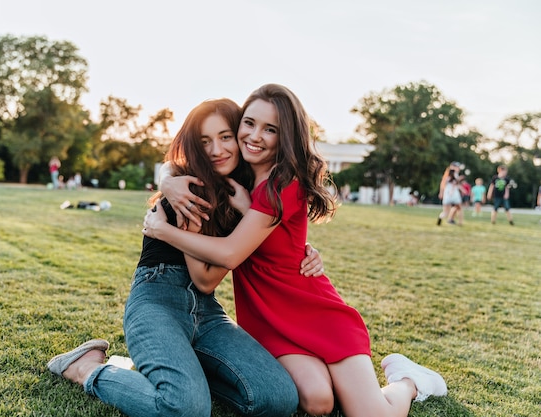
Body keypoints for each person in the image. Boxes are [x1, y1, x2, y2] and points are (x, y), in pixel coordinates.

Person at [144, 84, 447, 416]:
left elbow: (232, 253)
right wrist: (167, 179)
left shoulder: (284, 184)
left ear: (284, 135)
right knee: (318, 402)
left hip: (314, 311)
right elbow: (186, 160)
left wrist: (164, 231)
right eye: (249, 123)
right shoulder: (238, 175)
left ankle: (407, 381)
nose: (254, 136)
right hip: (269, 318)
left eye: (270, 129)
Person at [48, 99, 325, 417]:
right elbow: (204, 277)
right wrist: (169, 185)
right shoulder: (187, 187)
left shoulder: (243, 195)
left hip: (206, 312)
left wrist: (306, 250)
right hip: (156, 301)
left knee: (278, 398)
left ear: (239, 138)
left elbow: (226, 267)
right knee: (185, 410)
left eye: (225, 137)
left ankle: (186, 369)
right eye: (204, 141)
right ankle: (86, 369)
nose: (216, 150)